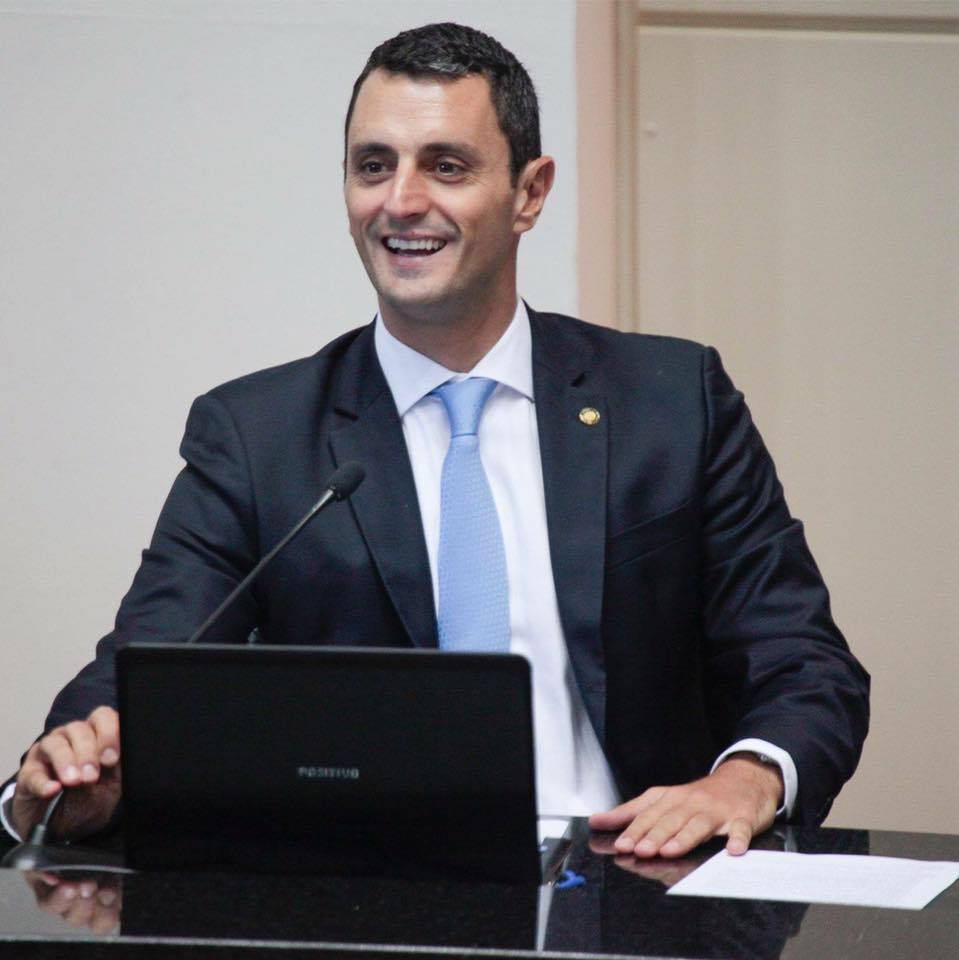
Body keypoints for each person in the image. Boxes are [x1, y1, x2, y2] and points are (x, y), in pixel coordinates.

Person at [3, 22, 869, 858]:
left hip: (626, 875)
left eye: (445, 166)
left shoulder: (671, 402)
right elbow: (147, 670)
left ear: (530, 192)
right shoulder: (258, 435)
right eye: (372, 166)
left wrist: (747, 779)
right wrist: (65, 782)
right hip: (363, 890)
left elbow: (801, 660)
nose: (400, 201)